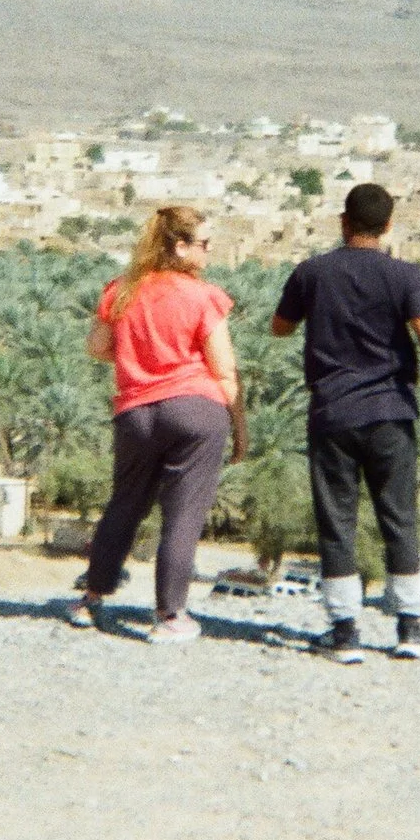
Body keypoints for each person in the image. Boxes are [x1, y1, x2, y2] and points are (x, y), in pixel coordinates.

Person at [271, 182, 420, 663]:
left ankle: (344, 632)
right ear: (388, 226)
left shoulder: (312, 272)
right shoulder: (404, 276)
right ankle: (410, 626)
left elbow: (280, 328)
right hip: (390, 412)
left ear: (343, 221)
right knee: (398, 515)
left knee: (337, 520)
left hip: (332, 414)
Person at [71, 205, 246, 644]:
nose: (208, 253)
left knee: (124, 504)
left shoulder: (121, 289)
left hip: (136, 411)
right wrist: (239, 425)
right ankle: (170, 615)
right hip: (195, 408)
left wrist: (137, 355)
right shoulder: (204, 296)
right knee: (183, 515)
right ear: (180, 246)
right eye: (203, 244)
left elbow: (96, 346)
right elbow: (224, 370)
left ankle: (91, 598)